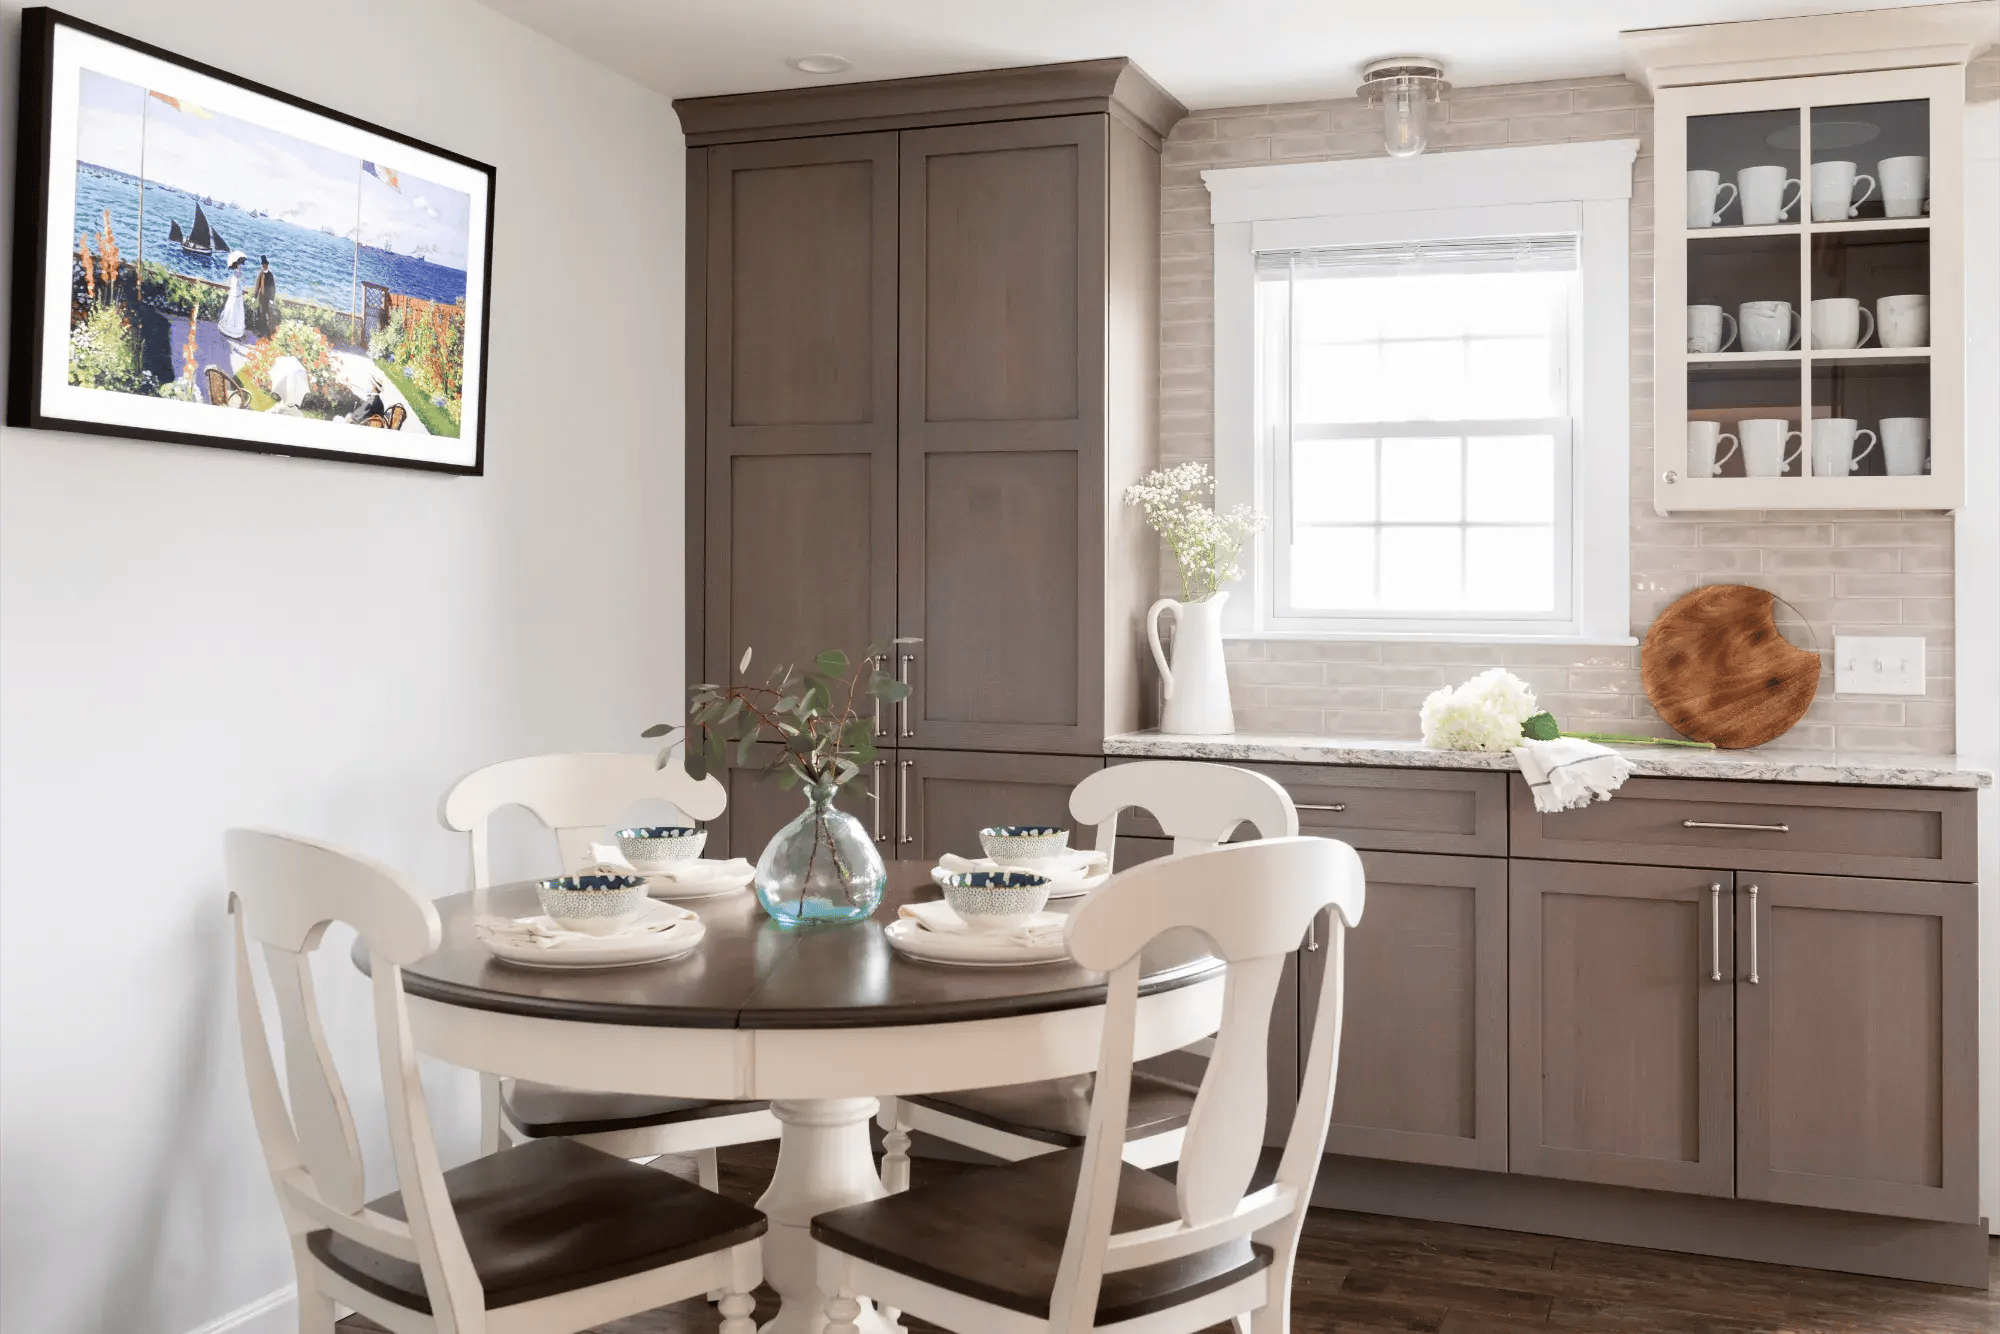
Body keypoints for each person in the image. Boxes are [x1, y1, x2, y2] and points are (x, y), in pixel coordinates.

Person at [217, 251, 248, 341]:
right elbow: (237, 283)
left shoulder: (236, 272)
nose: (241, 265)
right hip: (236, 294)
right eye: (240, 263)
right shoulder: (237, 272)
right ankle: (232, 331)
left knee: (232, 312)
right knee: (235, 312)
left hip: (235, 293)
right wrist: (238, 293)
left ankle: (230, 330)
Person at [252, 256, 278, 338]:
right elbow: (257, 285)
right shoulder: (261, 274)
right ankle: (262, 332)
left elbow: (273, 288)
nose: (263, 266)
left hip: (268, 299)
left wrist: (271, 299)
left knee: (268, 316)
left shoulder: (270, 275)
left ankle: (268, 333)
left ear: (267, 265)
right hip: (262, 299)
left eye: (264, 265)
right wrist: (254, 296)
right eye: (262, 265)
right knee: (262, 315)